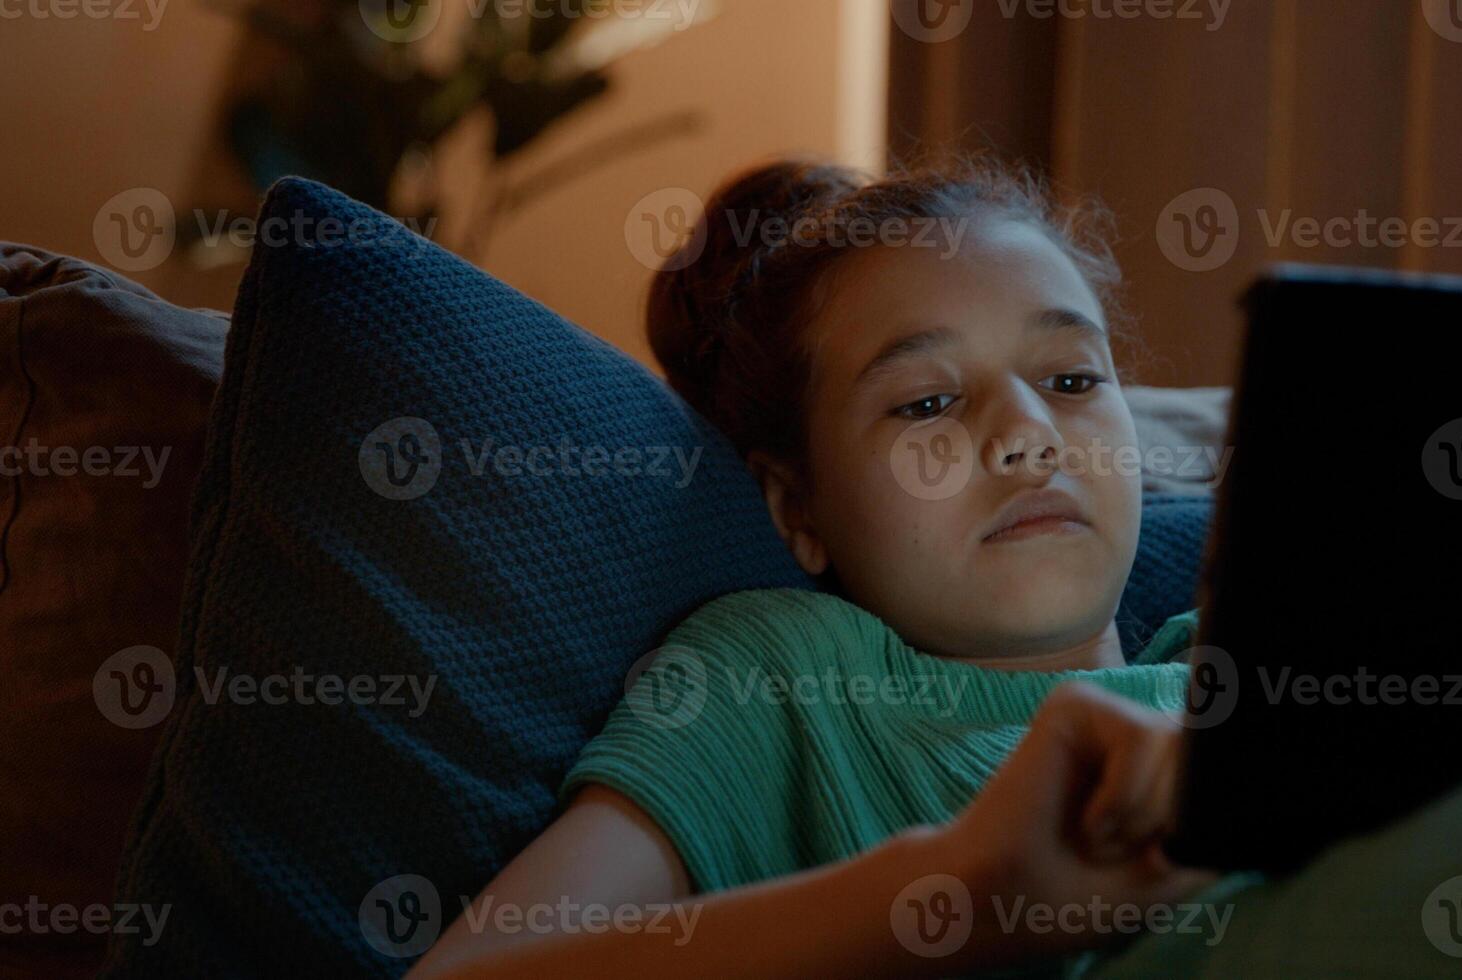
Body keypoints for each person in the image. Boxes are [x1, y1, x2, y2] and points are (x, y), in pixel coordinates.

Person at [410, 155, 1216, 979]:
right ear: (798, 508)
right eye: (927, 403)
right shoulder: (786, 681)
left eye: (1073, 378)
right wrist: (970, 885)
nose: (1028, 431)